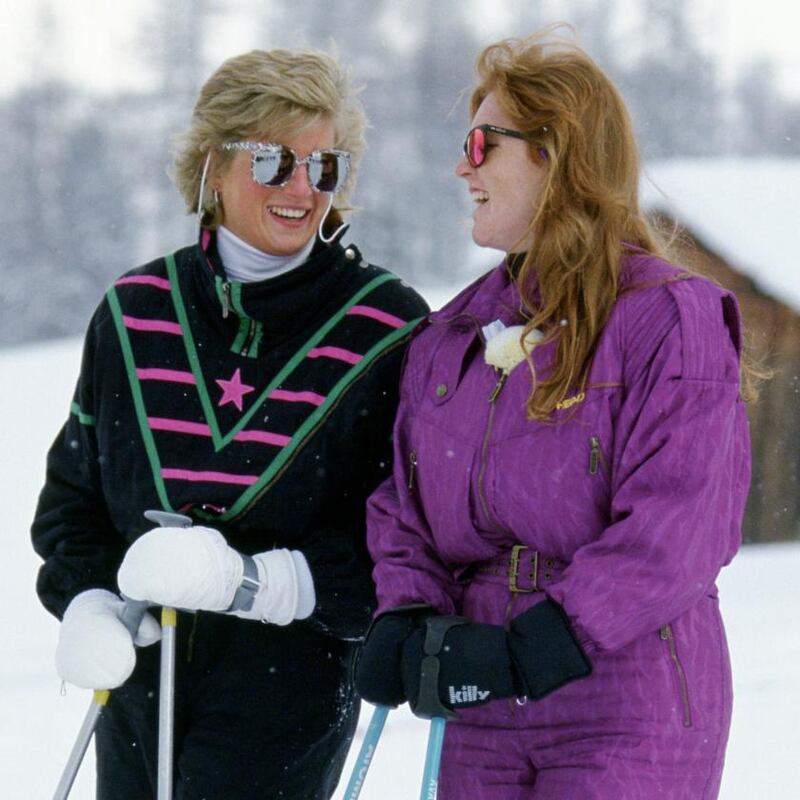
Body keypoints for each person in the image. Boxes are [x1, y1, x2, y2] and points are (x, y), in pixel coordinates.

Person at [354, 30, 751, 799]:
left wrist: (546, 641)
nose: (462, 167)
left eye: (482, 144)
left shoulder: (668, 317)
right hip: (483, 696)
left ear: (556, 153)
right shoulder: (450, 336)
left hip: (627, 688)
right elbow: (403, 506)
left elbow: (681, 524)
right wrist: (407, 611)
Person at [31, 47, 427, 800]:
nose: (303, 189)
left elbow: (407, 537)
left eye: (325, 166)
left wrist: (256, 584)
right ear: (212, 164)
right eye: (274, 161)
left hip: (286, 690)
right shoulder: (135, 314)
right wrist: (86, 600)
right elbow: (72, 505)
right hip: (139, 684)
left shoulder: (385, 328)